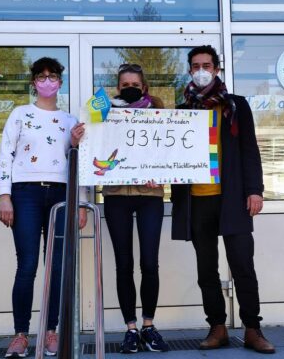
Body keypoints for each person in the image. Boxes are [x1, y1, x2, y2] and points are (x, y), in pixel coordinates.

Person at [170, 46, 275, 354]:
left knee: (242, 265)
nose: (201, 70)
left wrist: (255, 189)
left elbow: (249, 151)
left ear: (216, 69)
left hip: (233, 200)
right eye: (195, 66)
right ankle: (217, 327)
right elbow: (171, 157)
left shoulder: (236, 106)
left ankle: (253, 329)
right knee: (206, 270)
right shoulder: (182, 110)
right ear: (190, 71)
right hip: (197, 201)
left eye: (206, 65)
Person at [0, 57, 86, 358]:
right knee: (28, 264)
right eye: (41, 76)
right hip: (25, 194)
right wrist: (4, 195)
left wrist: (81, 202)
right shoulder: (20, 114)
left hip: (61, 194)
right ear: (33, 82)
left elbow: (79, 162)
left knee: (57, 267)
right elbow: (5, 155)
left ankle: (51, 331)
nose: (47, 81)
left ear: (61, 81)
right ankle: (20, 334)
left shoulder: (70, 121)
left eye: (53, 76)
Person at [102, 63, 169, 354]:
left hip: (150, 194)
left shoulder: (160, 113)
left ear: (144, 88)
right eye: (124, 84)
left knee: (150, 263)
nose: (130, 88)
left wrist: (163, 171)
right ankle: (130, 329)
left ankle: (149, 326)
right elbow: (94, 146)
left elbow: (171, 149)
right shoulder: (102, 114)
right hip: (116, 194)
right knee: (124, 264)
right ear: (118, 88)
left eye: (135, 84)